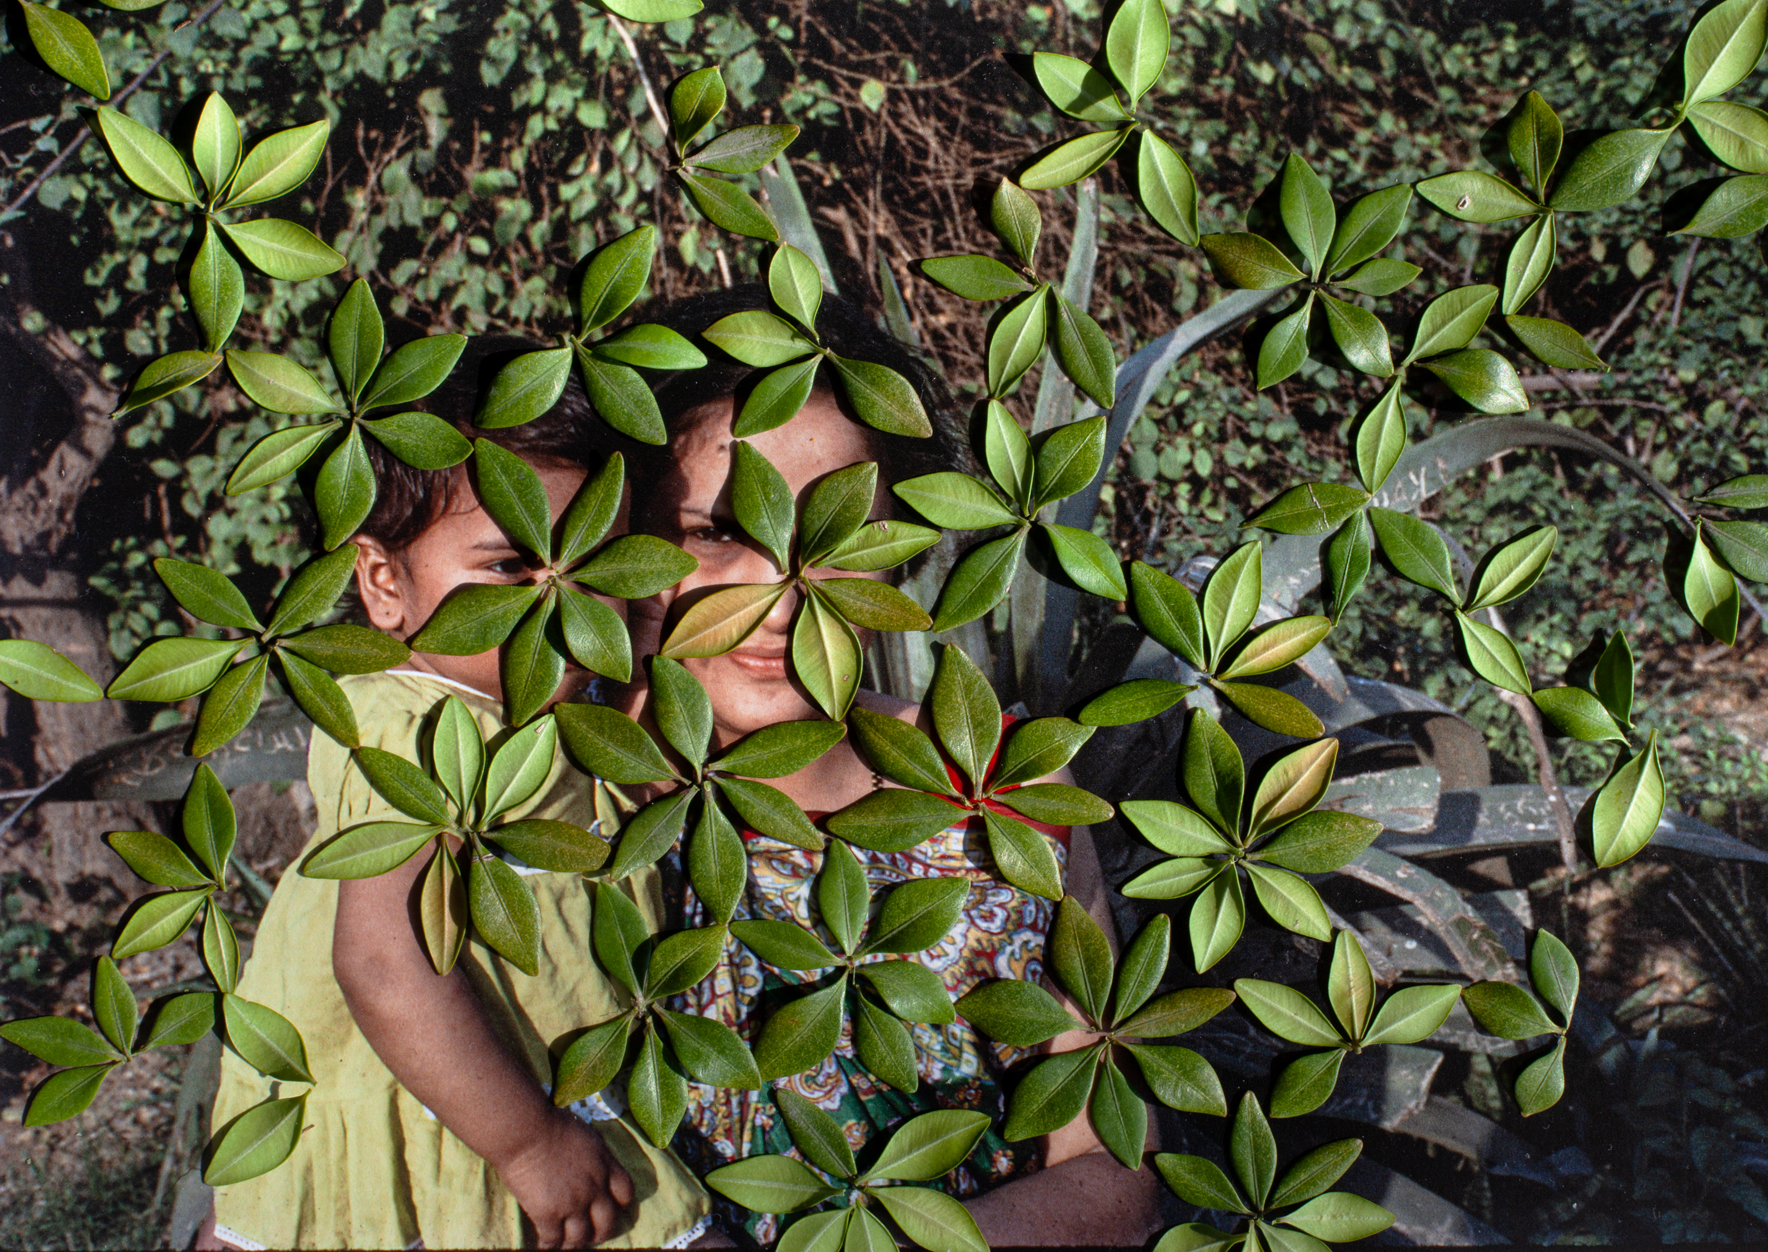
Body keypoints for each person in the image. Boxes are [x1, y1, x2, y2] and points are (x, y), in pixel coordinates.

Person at [624, 287, 1162, 1247]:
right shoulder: (574, 807)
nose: (778, 592)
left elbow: (1110, 1171)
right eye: (714, 533)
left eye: (836, 538)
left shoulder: (1000, 792)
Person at [197, 350, 711, 1251]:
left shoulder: (521, 703)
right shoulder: (417, 732)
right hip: (460, 1113)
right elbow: (386, 964)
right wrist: (528, 1142)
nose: (560, 599)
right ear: (384, 583)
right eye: (513, 566)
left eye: (594, 563)